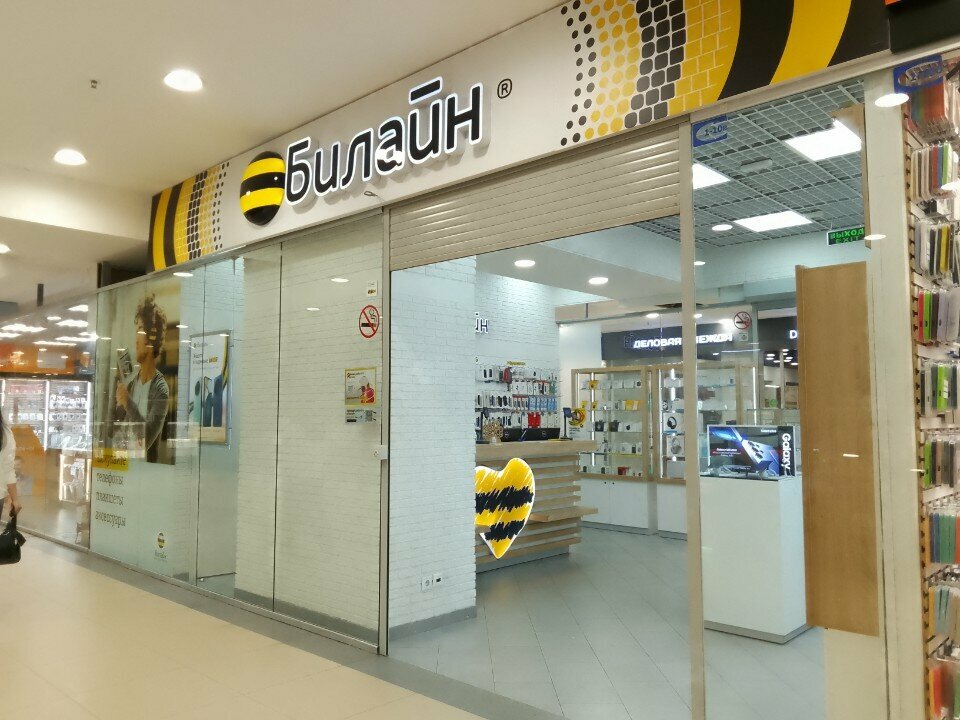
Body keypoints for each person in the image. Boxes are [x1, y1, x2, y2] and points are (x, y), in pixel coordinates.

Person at [115, 294, 170, 463]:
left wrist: (127, 402)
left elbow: (146, 439)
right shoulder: (132, 384)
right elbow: (117, 432)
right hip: (125, 466)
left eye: (139, 330)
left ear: (151, 339)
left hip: (145, 471)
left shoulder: (161, 389)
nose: (135, 339)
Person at [0, 414, 22, 518]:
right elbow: (7, 469)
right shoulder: (5, 433)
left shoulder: (5, 434)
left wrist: (15, 499)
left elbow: (7, 469)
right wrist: (15, 499)